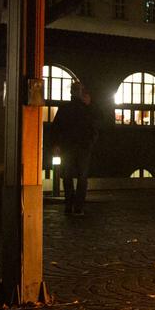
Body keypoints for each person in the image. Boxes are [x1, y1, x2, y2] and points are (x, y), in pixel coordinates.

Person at [50, 81, 98, 216]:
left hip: (68, 147)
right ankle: (78, 206)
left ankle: (69, 205)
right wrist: (90, 143)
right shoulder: (86, 109)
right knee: (82, 178)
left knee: (67, 176)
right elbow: (94, 128)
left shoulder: (64, 109)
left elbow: (56, 128)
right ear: (81, 92)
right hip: (83, 147)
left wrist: (57, 145)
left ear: (71, 92)